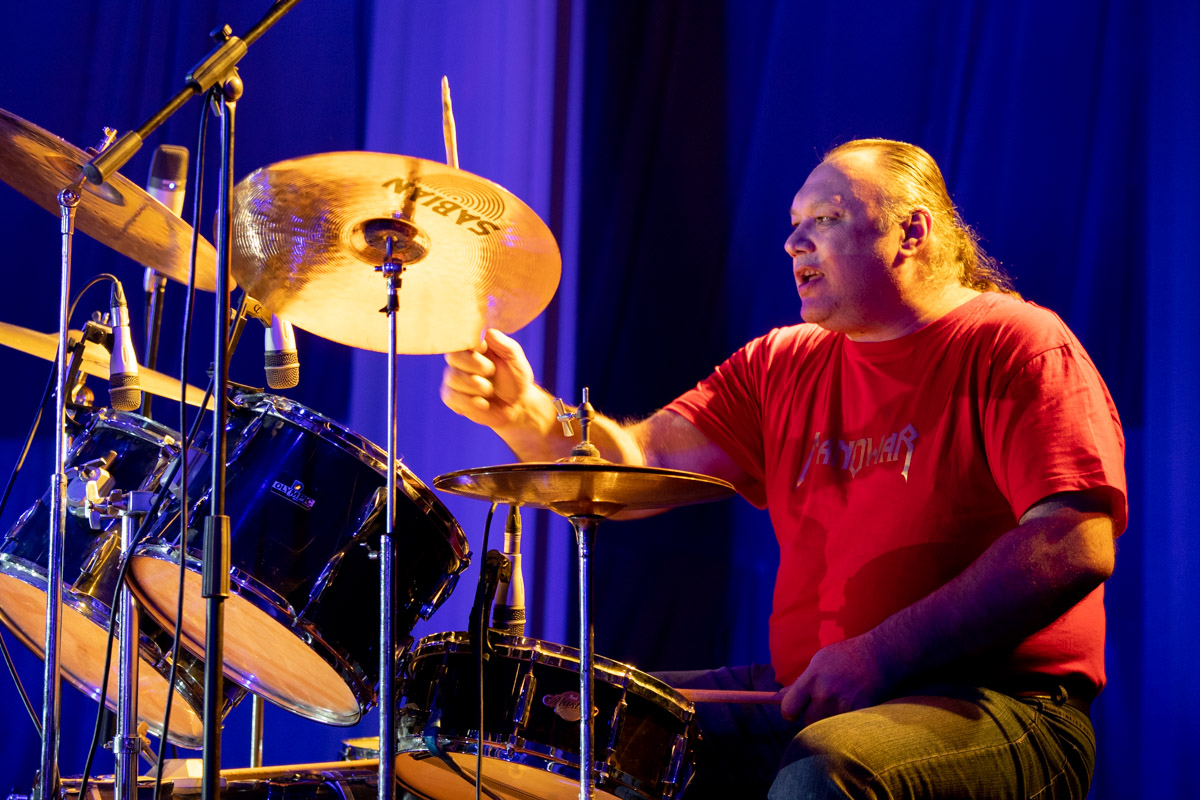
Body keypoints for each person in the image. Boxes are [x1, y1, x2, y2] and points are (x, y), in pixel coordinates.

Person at [440, 138, 1126, 799]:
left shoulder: (1016, 343)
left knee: (827, 770)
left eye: (825, 219)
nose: (794, 243)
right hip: (811, 693)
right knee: (583, 729)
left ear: (911, 232)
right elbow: (635, 462)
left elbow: (1073, 543)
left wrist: (884, 652)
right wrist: (528, 411)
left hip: (999, 703)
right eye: (794, 223)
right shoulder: (781, 363)